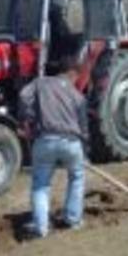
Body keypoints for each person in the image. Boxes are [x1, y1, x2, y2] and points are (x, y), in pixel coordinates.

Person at [18, 51, 89, 239]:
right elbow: (83, 127)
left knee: (41, 185)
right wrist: (85, 150)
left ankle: (41, 227)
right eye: (77, 76)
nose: (77, 81)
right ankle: (73, 219)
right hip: (72, 143)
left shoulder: (40, 83)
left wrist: (28, 120)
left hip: (45, 141)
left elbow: (24, 97)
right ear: (72, 72)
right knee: (77, 177)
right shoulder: (77, 96)